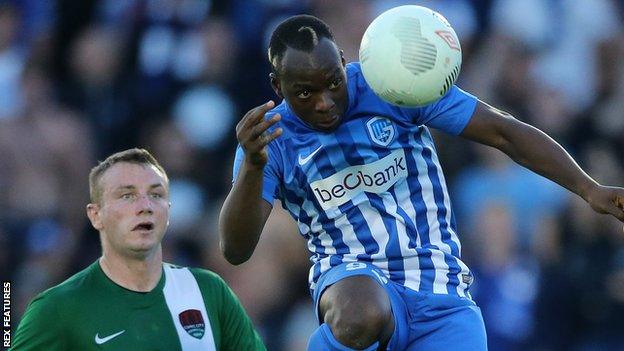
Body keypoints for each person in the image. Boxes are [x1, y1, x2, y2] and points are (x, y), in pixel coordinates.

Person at [218, 14, 624, 351]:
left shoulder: (390, 84)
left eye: (333, 83)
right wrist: (253, 166)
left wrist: (589, 188)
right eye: (305, 92)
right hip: (351, 282)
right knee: (361, 309)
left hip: (440, 289)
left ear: (343, 62)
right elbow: (236, 250)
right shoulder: (269, 141)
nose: (324, 102)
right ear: (278, 86)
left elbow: (504, 132)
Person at [12, 148, 266, 351]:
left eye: (156, 195)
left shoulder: (209, 291)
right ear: (96, 215)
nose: (145, 206)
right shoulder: (58, 307)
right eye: (127, 195)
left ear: (168, 212)